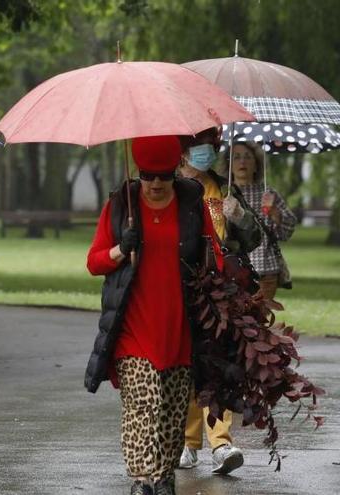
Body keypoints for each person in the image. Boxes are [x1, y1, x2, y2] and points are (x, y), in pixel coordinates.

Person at [86, 135, 222, 495]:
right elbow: (93, 262)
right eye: (148, 175)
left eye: (163, 175)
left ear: (176, 170)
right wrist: (120, 249)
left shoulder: (192, 202)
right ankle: (141, 478)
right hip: (134, 326)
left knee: (174, 409)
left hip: (179, 325)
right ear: (139, 174)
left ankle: (163, 476)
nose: (156, 184)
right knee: (144, 403)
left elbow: (213, 256)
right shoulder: (120, 205)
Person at [176, 129, 263, 474]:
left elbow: (252, 239)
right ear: (183, 151)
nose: (208, 152)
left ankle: (222, 443)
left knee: (216, 364)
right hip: (182, 286)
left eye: (212, 147)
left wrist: (240, 217)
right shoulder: (168, 186)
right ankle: (186, 441)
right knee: (185, 364)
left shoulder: (223, 186)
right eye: (201, 146)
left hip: (222, 288)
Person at [229, 141, 297, 302]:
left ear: (256, 164)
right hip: (232, 269)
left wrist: (275, 213)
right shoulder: (224, 193)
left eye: (248, 157)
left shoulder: (268, 194)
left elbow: (287, 230)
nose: (242, 162)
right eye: (236, 157)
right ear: (229, 164)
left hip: (265, 269)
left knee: (260, 319)